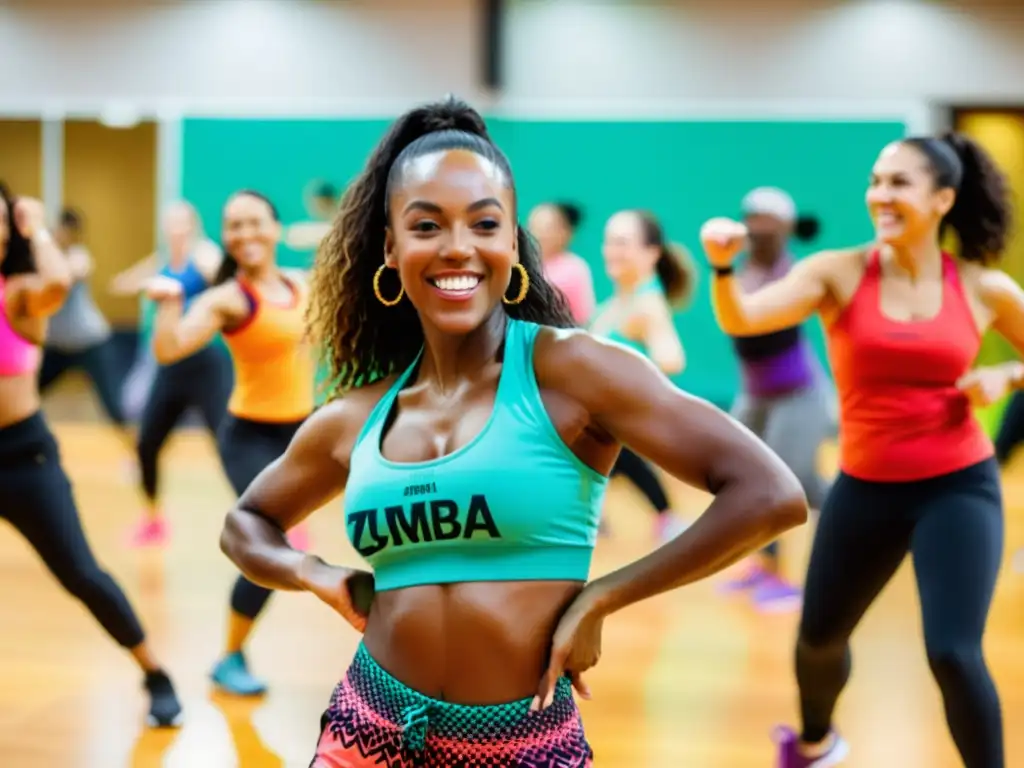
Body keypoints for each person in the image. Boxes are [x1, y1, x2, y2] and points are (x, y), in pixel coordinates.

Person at [217, 96, 807, 767]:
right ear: (392, 246)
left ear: (512, 240)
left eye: (484, 223)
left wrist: (603, 597)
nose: (458, 247)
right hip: (366, 727)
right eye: (427, 225)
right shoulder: (359, 414)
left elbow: (768, 492)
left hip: (522, 745)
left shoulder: (573, 371)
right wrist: (312, 571)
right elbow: (245, 523)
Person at [700, 132, 1018, 768]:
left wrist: (1005, 377)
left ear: (943, 199)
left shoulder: (984, 287)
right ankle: (815, 744)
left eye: (899, 182)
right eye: (876, 181)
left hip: (958, 485)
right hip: (866, 485)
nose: (880, 194)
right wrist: (721, 267)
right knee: (818, 641)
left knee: (953, 652)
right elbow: (745, 318)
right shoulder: (838, 271)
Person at [0, 188, 182, 728]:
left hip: (21, 456)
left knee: (80, 572)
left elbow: (58, 281)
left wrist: (32, 225)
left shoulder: (20, 291)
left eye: (3, 224)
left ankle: (154, 672)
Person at [146, 190, 315, 697]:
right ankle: (229, 656)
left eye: (254, 223)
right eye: (233, 225)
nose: (244, 234)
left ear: (275, 228)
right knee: (266, 548)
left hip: (303, 435)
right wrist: (171, 302)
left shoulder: (300, 285)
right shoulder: (228, 298)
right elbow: (169, 348)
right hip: (249, 438)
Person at [718, 188, 834, 612]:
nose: (757, 227)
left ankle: (790, 578)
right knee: (749, 478)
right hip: (756, 395)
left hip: (799, 397)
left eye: (768, 220)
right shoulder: (739, 272)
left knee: (796, 485)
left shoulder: (793, 274)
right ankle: (763, 568)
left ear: (785, 228)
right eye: (752, 218)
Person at [109, 201, 231, 546]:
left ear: (192, 226)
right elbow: (124, 283)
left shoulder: (203, 255)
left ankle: (276, 520)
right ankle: (153, 520)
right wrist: (137, 282)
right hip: (170, 366)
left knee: (228, 445)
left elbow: (223, 275)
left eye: (182, 224)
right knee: (146, 445)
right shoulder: (163, 262)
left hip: (205, 363)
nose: (176, 230)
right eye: (170, 224)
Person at [590, 209, 695, 542]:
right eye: (609, 242)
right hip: (602, 423)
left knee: (614, 461)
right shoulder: (616, 304)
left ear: (651, 252)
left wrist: (630, 387)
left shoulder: (647, 304)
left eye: (622, 243)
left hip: (619, 422)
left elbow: (672, 358)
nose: (611, 250)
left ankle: (666, 519)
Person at [39, 208, 131, 448]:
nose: (63, 235)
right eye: (60, 230)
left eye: (68, 232)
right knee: (24, 397)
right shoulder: (41, 259)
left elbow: (65, 278)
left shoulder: (80, 256)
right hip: (56, 348)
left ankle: (137, 459)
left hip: (90, 343)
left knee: (113, 406)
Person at [527, 201, 595, 324]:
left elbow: (584, 319)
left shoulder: (575, 269)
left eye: (547, 228)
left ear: (565, 232)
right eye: (535, 226)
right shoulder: (521, 265)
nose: (540, 234)